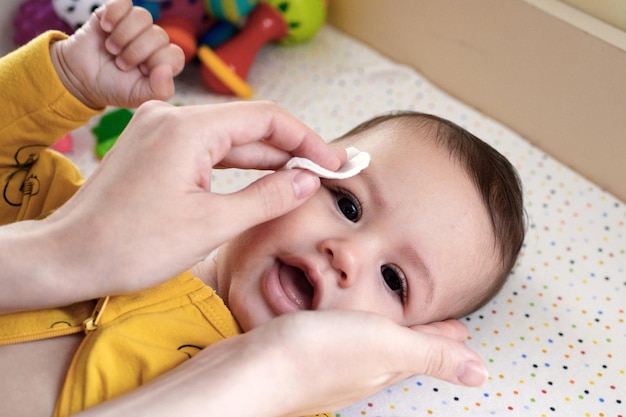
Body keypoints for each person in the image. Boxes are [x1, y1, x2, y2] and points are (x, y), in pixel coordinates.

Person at [0, 0, 522, 416]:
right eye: (348, 203)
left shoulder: (276, 400)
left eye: (393, 280)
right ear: (291, 167)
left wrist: (278, 373)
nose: (346, 254)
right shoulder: (107, 212)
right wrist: (62, 81)